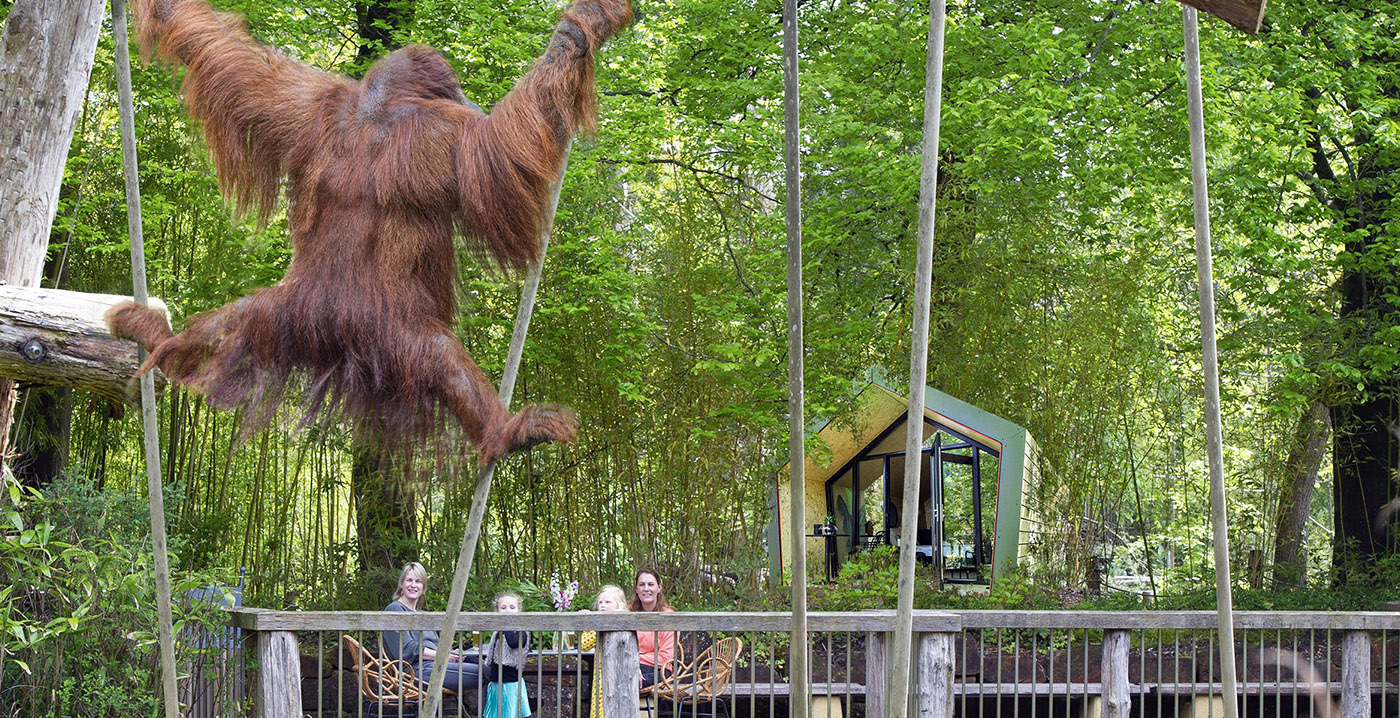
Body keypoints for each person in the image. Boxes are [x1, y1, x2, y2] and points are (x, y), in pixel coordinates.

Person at [382, 562, 481, 693]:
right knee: (484, 672)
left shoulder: (422, 614)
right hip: (415, 671)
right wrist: (444, 656)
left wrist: (454, 654)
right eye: (409, 580)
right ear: (401, 584)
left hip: (436, 664)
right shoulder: (394, 609)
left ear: (423, 587)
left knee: (482, 661)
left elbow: (436, 645)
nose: (413, 585)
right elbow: (407, 650)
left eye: (418, 581)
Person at [578, 585, 629, 718]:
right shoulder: (598, 626)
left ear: (619, 605)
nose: (603, 605)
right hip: (601, 677)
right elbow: (584, 644)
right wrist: (591, 623)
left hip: (621, 674)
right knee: (599, 710)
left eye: (608, 602)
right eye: (600, 602)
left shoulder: (624, 621)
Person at [482, 591, 532, 718]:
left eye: (512, 607)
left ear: (519, 610)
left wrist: (507, 625)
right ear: (497, 611)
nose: (508, 610)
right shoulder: (498, 631)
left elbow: (514, 643)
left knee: (510, 713)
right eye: (503, 608)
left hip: (511, 682)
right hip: (496, 681)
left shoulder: (521, 631)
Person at [629, 568, 677, 687]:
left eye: (650, 584)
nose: (646, 589)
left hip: (659, 669)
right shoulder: (627, 612)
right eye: (641, 585)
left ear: (659, 588)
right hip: (629, 665)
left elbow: (665, 657)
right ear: (636, 589)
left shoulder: (668, 616)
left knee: (626, 677)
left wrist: (635, 659)